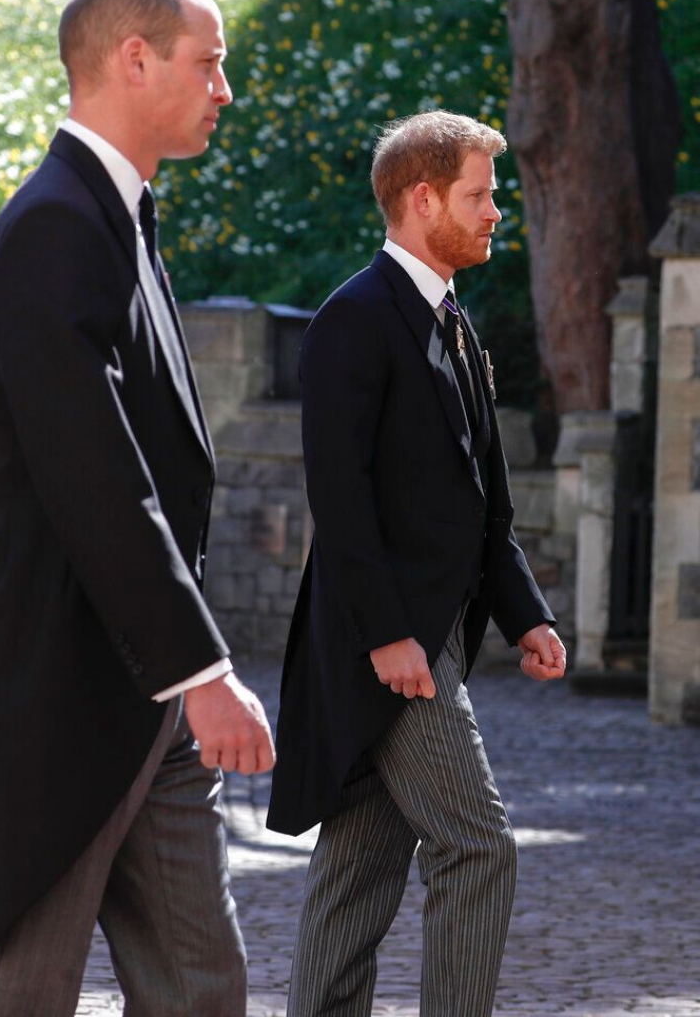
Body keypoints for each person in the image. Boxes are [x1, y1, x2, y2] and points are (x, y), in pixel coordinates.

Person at [0, 0, 275, 1017]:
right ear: (133, 58)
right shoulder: (55, 224)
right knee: (21, 990)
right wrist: (200, 669)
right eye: (210, 63)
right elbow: (92, 472)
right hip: (61, 693)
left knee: (202, 988)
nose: (224, 89)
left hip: (146, 701)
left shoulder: (119, 214)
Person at [267, 110, 567, 1017]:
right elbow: (340, 498)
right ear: (423, 198)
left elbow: (483, 504)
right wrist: (390, 634)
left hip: (432, 637)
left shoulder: (456, 325)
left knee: (358, 869)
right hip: (391, 643)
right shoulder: (353, 319)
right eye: (480, 196)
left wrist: (526, 612)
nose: (495, 213)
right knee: (479, 845)